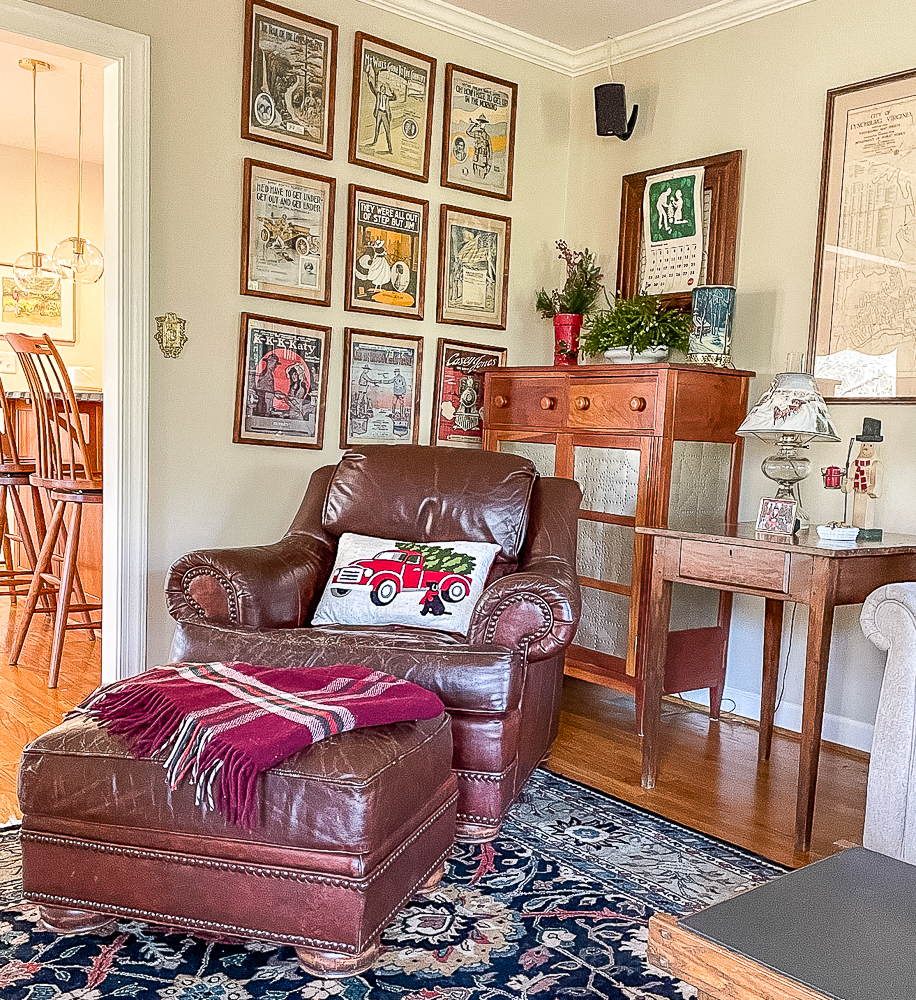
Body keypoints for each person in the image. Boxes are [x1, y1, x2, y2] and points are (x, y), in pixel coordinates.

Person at [366, 65, 397, 153]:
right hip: (379, 112)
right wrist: (369, 82)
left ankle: (390, 148)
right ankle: (374, 142)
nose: (382, 90)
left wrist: (392, 91)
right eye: (381, 89)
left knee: (387, 130)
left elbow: (395, 98)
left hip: (385, 114)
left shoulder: (387, 97)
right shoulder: (378, 94)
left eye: (384, 89)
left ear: (385, 90)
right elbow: (372, 89)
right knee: (377, 128)